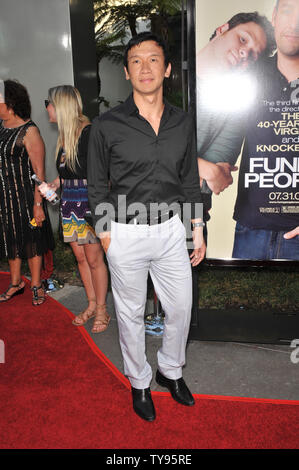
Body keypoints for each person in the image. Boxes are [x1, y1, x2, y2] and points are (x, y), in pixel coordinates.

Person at [87, 32, 206, 422]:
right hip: (125, 232)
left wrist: (196, 229)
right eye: (136, 61)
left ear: (167, 69)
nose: (145, 68)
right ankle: (139, 382)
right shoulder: (107, 125)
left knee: (181, 309)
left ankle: (170, 371)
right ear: (126, 72)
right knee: (131, 314)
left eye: (153, 59)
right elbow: (96, 185)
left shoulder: (182, 122)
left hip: (173, 230)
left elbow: (189, 180)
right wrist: (107, 237)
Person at [232, 0, 299, 260]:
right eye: (287, 11)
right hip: (250, 229)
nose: (294, 23)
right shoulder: (248, 73)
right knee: (241, 302)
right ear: (274, 17)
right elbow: (223, 140)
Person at [43, 85, 109, 332]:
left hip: (88, 202)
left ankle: (102, 310)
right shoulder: (64, 137)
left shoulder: (89, 133)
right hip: (70, 201)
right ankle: (91, 305)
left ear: (61, 105)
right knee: (81, 258)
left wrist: (97, 209)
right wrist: (55, 183)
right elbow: (69, 171)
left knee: (94, 259)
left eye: (48, 102)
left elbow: (100, 175)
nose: (47, 108)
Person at [196, 12, 276, 205]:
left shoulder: (236, 106)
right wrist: (203, 168)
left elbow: (215, 181)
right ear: (223, 29)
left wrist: (211, 173)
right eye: (242, 39)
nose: (244, 52)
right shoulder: (161, 75)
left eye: (253, 55)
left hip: (188, 221)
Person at [0, 79, 54, 305]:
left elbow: (39, 173)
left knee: (32, 241)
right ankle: (16, 283)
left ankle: (35, 284)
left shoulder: (29, 131)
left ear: (10, 104)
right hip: (4, 198)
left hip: (26, 197)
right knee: (11, 240)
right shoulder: (1, 127)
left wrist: (37, 205)